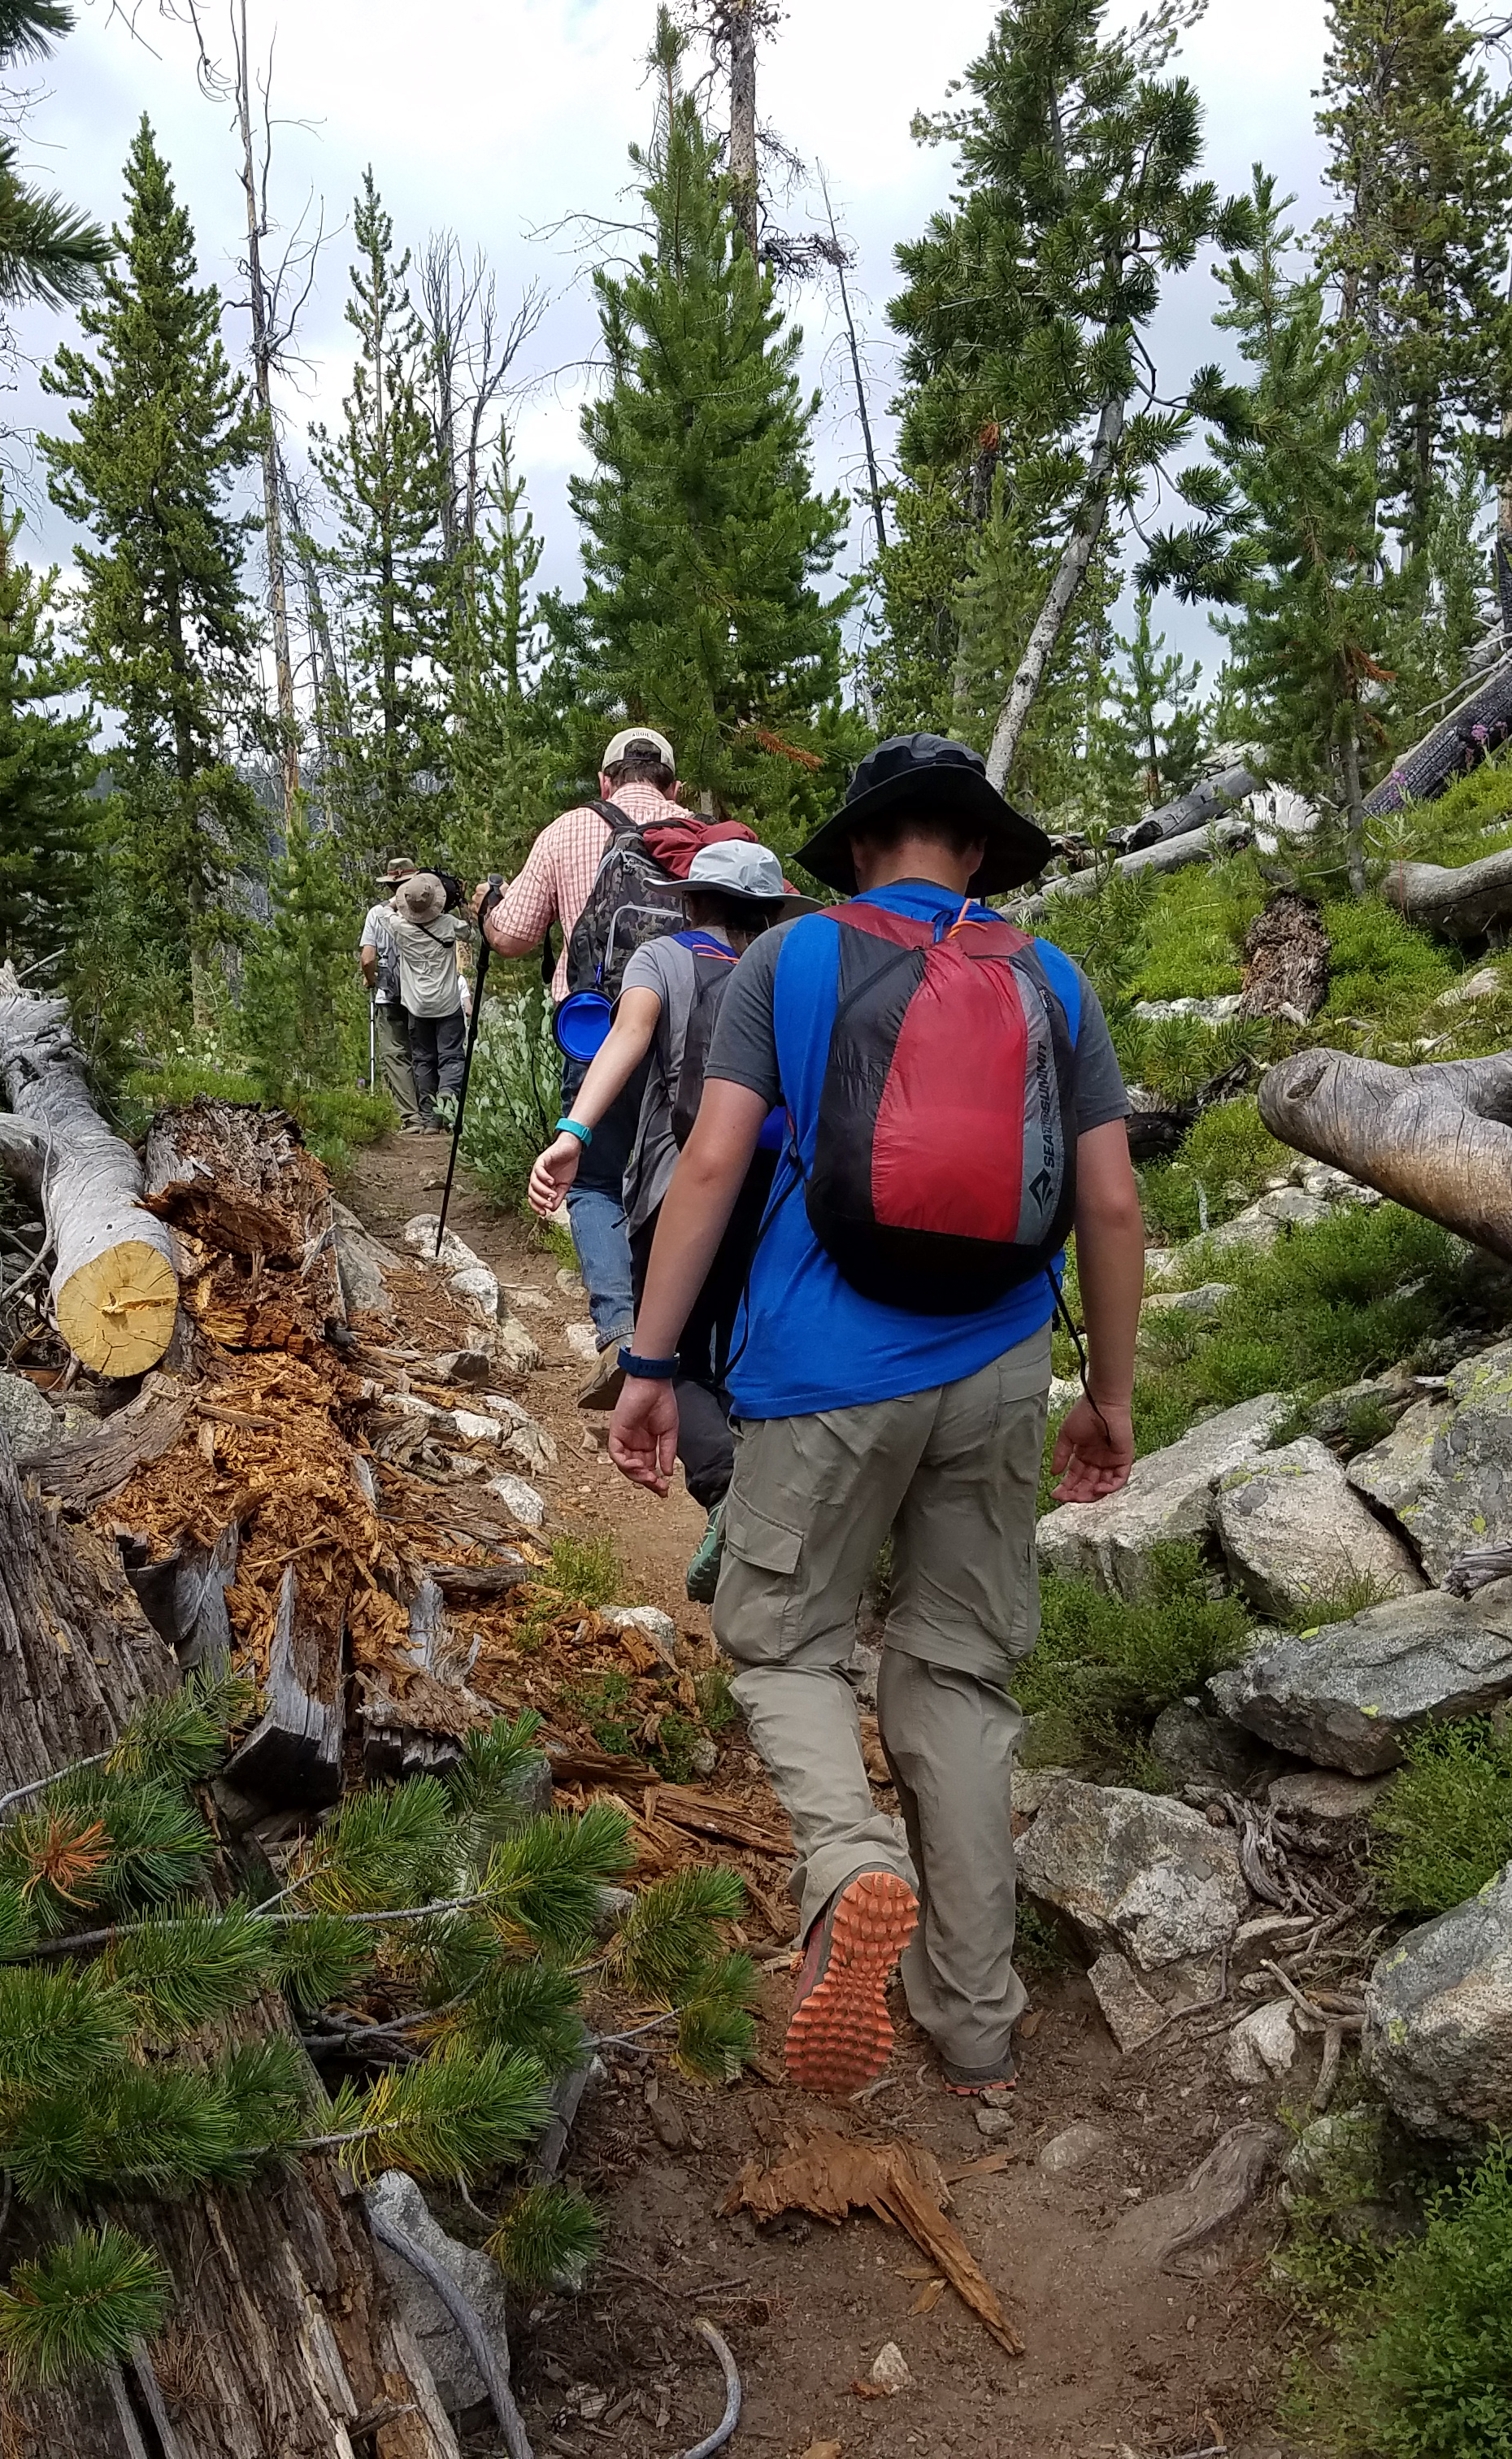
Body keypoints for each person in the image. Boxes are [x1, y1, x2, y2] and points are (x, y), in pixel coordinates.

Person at [606, 733, 1142, 2102]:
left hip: (818, 1372)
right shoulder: (1050, 976)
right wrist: (1112, 1394)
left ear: (853, 848)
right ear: (972, 851)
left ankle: (848, 1862)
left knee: (781, 1639)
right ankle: (973, 2018)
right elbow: (1111, 1203)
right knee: (956, 1673)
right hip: (1000, 1363)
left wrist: (651, 1360)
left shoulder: (787, 961)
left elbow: (715, 1160)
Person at [525, 837, 803, 1520]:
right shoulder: (791, 967)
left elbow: (627, 1035)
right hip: (777, 1198)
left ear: (691, 901)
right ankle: (776, 1499)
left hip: (677, 1189)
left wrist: (574, 1133)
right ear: (769, 910)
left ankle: (726, 1496)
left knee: (666, 1356)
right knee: (743, 1350)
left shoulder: (663, 957)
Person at [479, 728, 752, 1377]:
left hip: (598, 1031)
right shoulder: (712, 838)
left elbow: (513, 938)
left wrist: (487, 907)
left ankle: (621, 1331)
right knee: (696, 1176)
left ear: (606, 781)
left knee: (597, 1180)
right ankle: (695, 1340)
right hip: (700, 1036)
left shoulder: (569, 830)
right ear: (673, 785)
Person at [378, 872, 471, 1130]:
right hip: (448, 1003)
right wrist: (462, 902)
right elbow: (472, 932)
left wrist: (400, 901)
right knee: (451, 1057)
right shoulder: (448, 924)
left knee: (422, 1060)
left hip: (417, 1006)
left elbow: (383, 911)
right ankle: (447, 1096)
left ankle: (430, 1119)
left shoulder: (399, 926)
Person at [356, 855, 421, 1090]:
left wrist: (371, 980)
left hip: (389, 993)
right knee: (424, 1052)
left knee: (396, 1054)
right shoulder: (427, 909)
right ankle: (434, 1114)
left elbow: (368, 959)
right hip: (424, 992)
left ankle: (411, 1117)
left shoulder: (377, 913)